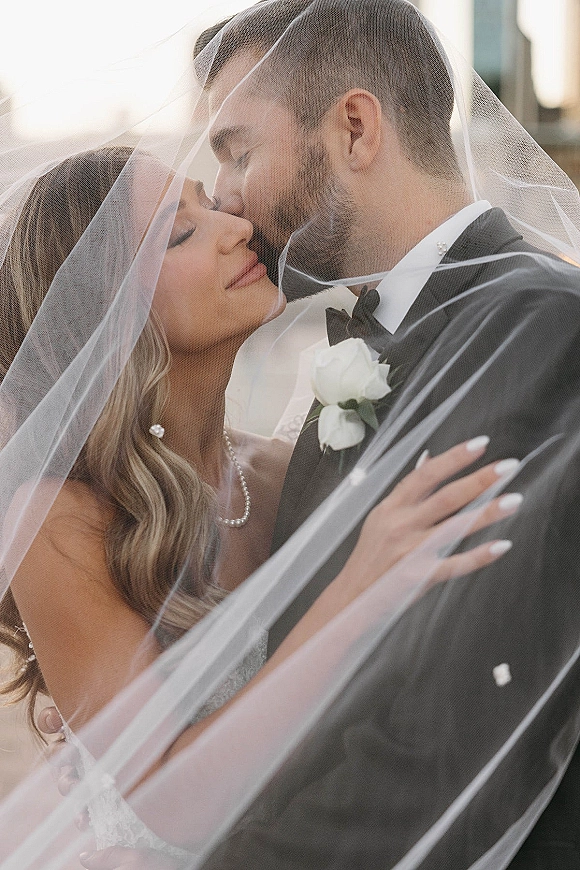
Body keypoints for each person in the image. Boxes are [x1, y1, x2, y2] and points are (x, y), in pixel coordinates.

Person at [147, 1, 580, 868]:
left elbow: (446, 746)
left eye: (237, 151)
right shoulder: (375, 345)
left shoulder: (545, 332)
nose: (226, 196)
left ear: (353, 127)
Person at [0, 146, 515, 865]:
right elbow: (171, 802)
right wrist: (361, 589)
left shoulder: (285, 472)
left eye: (214, 204)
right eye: (180, 233)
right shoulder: (59, 520)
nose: (235, 228)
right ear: (107, 318)